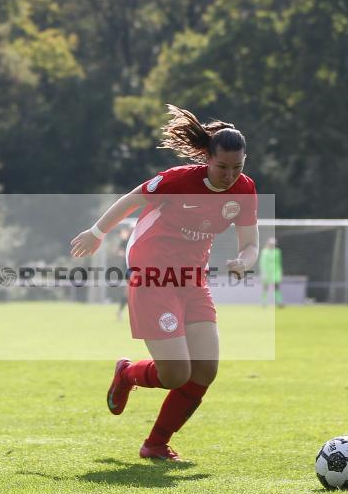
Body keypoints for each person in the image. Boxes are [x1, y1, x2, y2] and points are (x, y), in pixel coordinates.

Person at [71, 104, 259, 462]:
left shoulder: (245, 191)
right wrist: (96, 233)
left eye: (238, 167)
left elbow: (250, 245)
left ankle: (155, 444)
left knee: (205, 369)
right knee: (175, 374)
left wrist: (242, 262)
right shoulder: (178, 180)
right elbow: (132, 199)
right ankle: (127, 374)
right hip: (153, 275)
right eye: (222, 166)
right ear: (207, 158)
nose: (230, 175)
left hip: (193, 280)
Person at [260, 236, 283, 307]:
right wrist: (263, 272)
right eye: (271, 243)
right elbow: (262, 262)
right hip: (267, 271)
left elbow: (279, 262)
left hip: (275, 271)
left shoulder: (278, 251)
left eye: (273, 244)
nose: (272, 245)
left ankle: (279, 302)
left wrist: (280, 271)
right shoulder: (264, 251)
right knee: (265, 287)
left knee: (277, 286)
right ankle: (264, 302)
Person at [115, 227, 132, 320]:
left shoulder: (138, 238)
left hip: (140, 267)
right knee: (128, 290)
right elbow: (119, 251)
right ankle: (120, 311)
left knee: (130, 291)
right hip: (129, 268)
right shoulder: (125, 241)